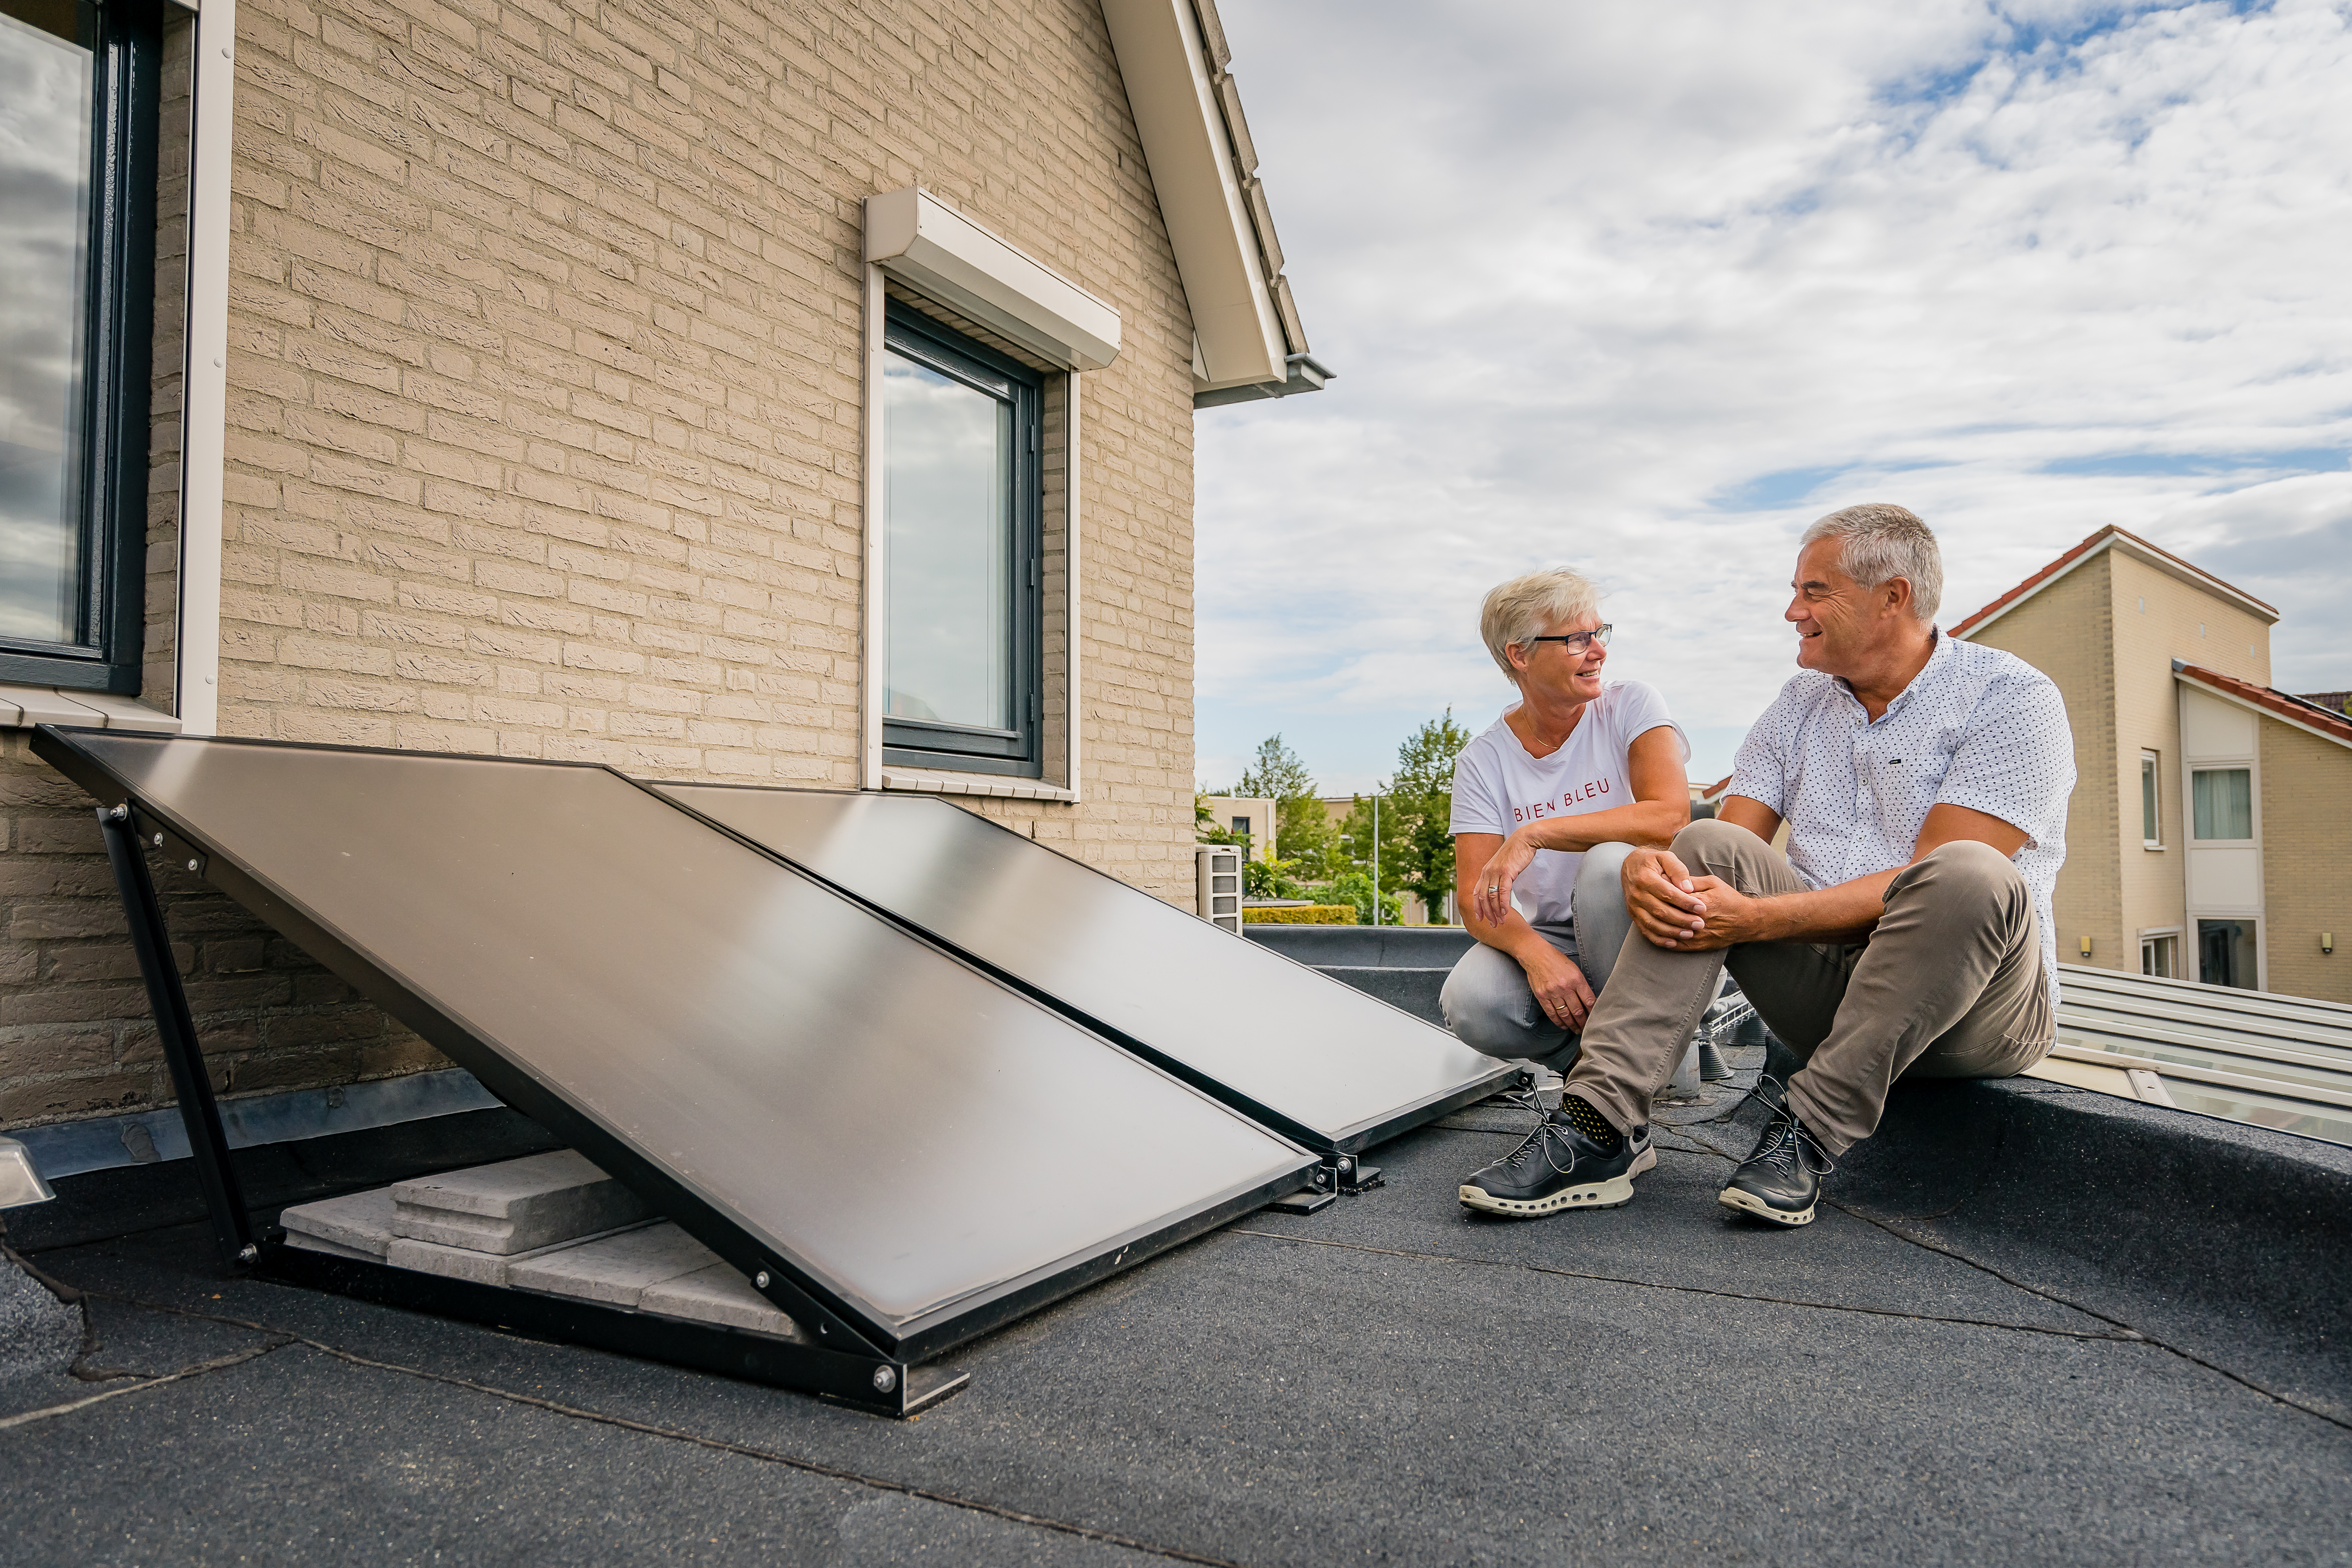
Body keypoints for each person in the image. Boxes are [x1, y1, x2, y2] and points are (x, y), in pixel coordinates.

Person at [1465, 504, 2073, 1227]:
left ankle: (1807, 1133)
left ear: (1893, 597)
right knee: (1702, 849)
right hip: (1827, 991)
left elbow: (1931, 883)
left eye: (1815, 591)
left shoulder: (2012, 698)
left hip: (1972, 1012)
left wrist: (1754, 918)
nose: (1793, 611)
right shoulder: (1800, 703)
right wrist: (1647, 870)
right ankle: (1599, 1124)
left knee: (1969, 871)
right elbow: (1719, 849)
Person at [1443, 568, 1692, 1216]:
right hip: (1557, 935)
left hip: (1641, 933)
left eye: (1599, 632)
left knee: (1611, 865)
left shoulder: (1632, 706)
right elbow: (1476, 898)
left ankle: (1624, 1085)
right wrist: (1537, 956)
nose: (1599, 649)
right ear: (1519, 656)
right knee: (1472, 1001)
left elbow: (1669, 816)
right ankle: (1621, 1098)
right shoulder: (1483, 761)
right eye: (1576, 638)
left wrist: (1539, 831)